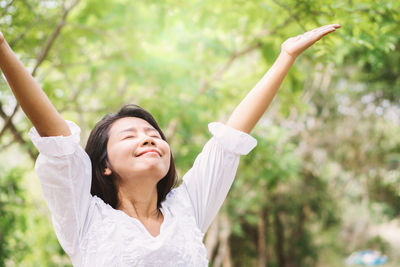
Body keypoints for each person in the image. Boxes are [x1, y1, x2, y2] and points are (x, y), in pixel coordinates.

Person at [0, 23, 340, 266]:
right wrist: (2, 48)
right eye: (129, 135)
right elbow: (56, 138)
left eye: (154, 134)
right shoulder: (85, 218)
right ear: (104, 164)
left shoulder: (187, 208)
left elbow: (230, 139)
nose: (148, 137)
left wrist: (286, 56)